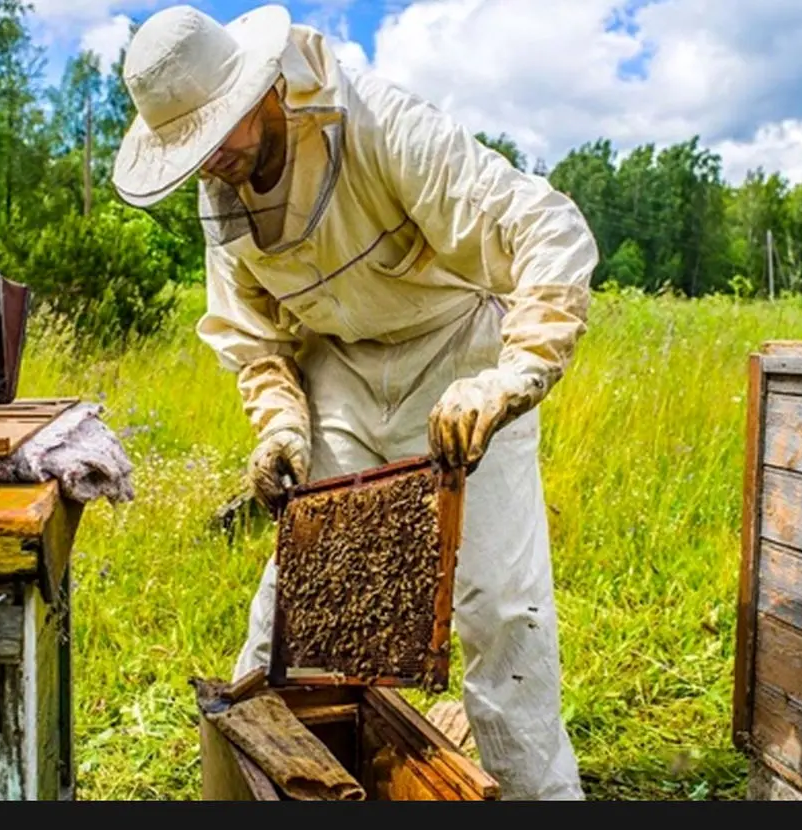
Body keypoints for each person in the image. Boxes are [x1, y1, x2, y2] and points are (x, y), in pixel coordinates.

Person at [112, 4, 599, 801]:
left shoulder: (380, 124)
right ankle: (254, 782)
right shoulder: (221, 192)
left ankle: (538, 794)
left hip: (458, 350)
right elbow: (257, 342)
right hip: (337, 367)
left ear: (264, 90)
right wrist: (281, 430)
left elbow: (548, 228)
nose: (212, 162)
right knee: (297, 598)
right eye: (193, 150)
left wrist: (512, 376)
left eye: (219, 135)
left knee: (499, 605)